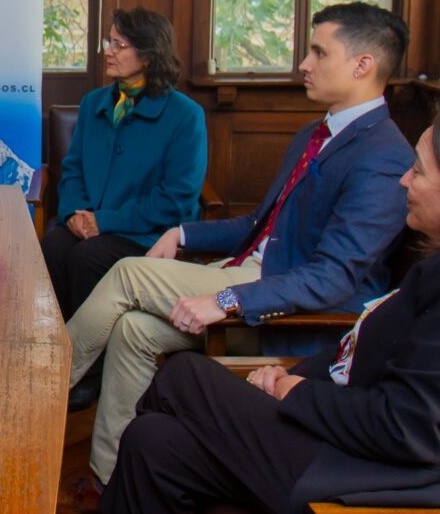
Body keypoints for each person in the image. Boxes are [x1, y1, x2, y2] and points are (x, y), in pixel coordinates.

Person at [66, 2, 413, 488]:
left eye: (318, 52)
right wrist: (181, 233)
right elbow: (258, 223)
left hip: (287, 314)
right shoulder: (318, 134)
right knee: (132, 330)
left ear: (363, 65)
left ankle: (42, 386)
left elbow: (333, 278)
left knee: (126, 271)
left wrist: (226, 300)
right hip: (251, 273)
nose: (304, 65)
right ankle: (111, 477)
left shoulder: (382, 156)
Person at [103, 115, 440, 513]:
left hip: (352, 469)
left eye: (417, 170)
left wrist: (295, 391)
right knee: (152, 440)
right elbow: (357, 353)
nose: (404, 180)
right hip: (338, 429)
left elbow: (408, 428)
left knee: (182, 375)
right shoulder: (430, 267)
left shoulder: (378, 155)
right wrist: (292, 375)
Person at [43, 8, 206, 321]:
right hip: (92, 223)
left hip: (145, 231)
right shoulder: (94, 103)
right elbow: (72, 170)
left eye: (119, 45)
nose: (109, 51)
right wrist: (75, 214)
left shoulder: (186, 115)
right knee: (54, 245)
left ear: (148, 56)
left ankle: (91, 363)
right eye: (109, 41)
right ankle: (61, 344)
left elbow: (176, 198)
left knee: (88, 258)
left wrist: (104, 221)